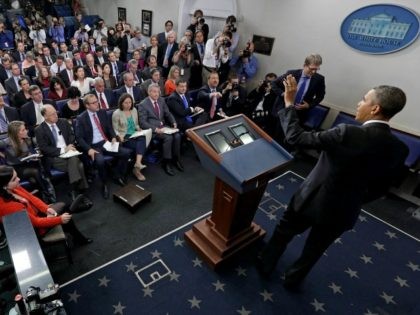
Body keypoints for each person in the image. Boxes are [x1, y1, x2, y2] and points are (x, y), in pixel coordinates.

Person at [256, 75, 409, 290]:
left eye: (364, 99)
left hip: (310, 200)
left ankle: (266, 264)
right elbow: (381, 189)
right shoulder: (400, 149)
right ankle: (293, 280)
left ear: (375, 109)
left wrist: (289, 103)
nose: (359, 103)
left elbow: (296, 138)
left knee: (284, 232)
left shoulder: (347, 132)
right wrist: (353, 198)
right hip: (344, 211)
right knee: (315, 250)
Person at [0, 165, 92, 244]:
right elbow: (36, 223)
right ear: (4, 186)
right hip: (34, 230)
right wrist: (59, 220)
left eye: (17, 176)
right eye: (14, 179)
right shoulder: (9, 206)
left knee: (63, 208)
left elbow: (32, 198)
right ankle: (78, 234)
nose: (19, 179)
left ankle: (77, 234)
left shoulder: (13, 188)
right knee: (64, 211)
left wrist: (46, 209)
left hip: (36, 215)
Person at [75, 94, 131, 199]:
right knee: (100, 161)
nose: (97, 104)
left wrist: (113, 137)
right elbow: (79, 138)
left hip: (105, 142)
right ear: (87, 105)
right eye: (94, 103)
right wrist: (89, 149)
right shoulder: (81, 118)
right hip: (93, 146)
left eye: (97, 101)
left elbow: (109, 127)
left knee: (126, 153)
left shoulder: (102, 112)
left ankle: (117, 175)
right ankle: (104, 184)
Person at [35, 105, 91, 203]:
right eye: (52, 114)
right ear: (45, 116)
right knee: (80, 165)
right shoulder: (39, 130)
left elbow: (71, 136)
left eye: (56, 112)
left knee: (73, 159)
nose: (56, 115)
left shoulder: (63, 122)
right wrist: (63, 150)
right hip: (55, 157)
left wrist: (69, 146)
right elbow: (44, 148)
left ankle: (74, 190)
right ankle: (80, 190)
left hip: (70, 151)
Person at [0, 121, 56, 203]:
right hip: (15, 169)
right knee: (35, 172)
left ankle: (42, 200)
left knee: (34, 180)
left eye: (25, 129)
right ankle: (47, 194)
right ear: (16, 133)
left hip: (27, 164)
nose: (26, 131)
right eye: (23, 130)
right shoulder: (5, 142)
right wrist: (2, 156)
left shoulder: (28, 140)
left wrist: (34, 156)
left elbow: (31, 153)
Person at [139, 83, 182, 176]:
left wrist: (173, 122)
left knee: (177, 135)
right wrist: (155, 129)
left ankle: (176, 159)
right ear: (149, 92)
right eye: (154, 92)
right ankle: (166, 163)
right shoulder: (143, 104)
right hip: (154, 130)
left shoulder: (161, 100)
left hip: (164, 127)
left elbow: (168, 113)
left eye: (158, 92)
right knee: (168, 138)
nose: (156, 94)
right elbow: (143, 123)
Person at [272, 53, 325, 126]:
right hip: (282, 110)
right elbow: (274, 83)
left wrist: (309, 105)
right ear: (304, 65)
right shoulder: (291, 73)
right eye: (312, 69)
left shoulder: (319, 79)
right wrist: (283, 94)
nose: (314, 72)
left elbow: (320, 96)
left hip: (299, 115)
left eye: (316, 69)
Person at [112, 93, 147, 181]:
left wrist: (138, 128)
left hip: (135, 134)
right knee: (141, 145)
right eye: (126, 103)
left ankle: (137, 164)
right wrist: (119, 136)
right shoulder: (116, 113)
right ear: (121, 103)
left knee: (143, 138)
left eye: (130, 103)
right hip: (125, 137)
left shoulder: (134, 110)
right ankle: (137, 169)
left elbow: (136, 124)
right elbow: (114, 130)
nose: (128, 105)